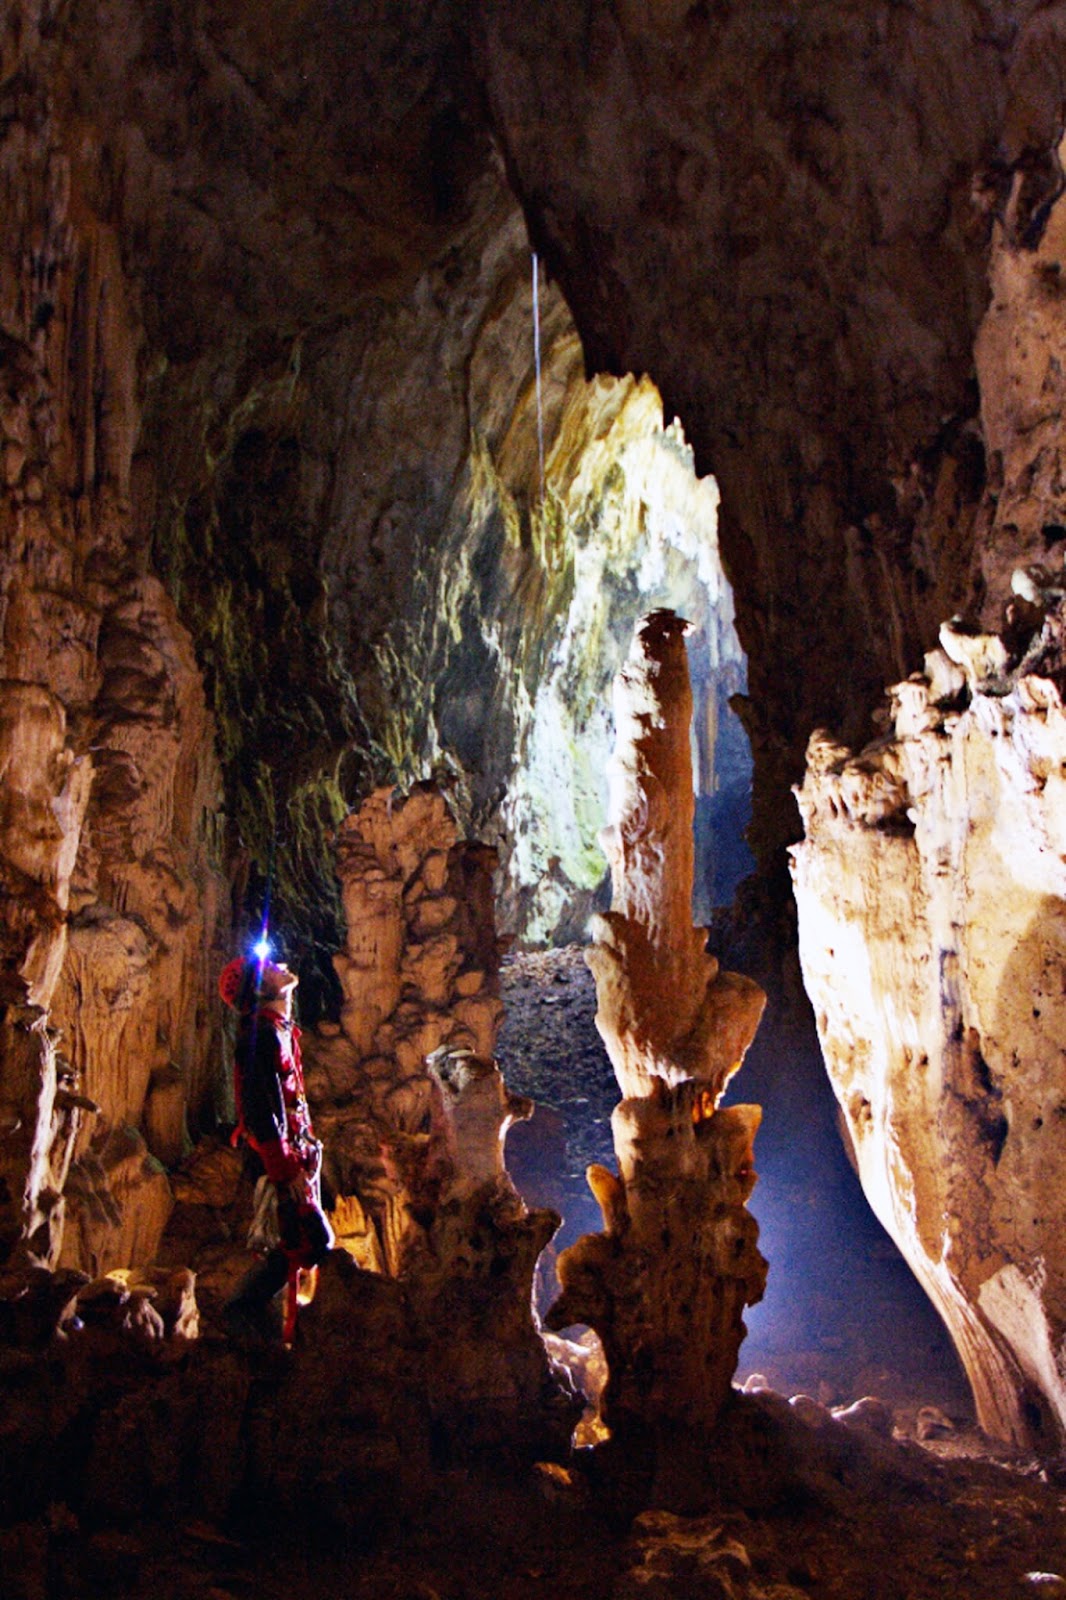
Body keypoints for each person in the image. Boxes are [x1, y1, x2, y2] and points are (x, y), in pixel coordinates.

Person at [218, 950, 333, 1343]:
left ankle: (274, 1332)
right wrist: (283, 1168)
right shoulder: (259, 1034)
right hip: (278, 1163)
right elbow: (260, 1105)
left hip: (293, 1158)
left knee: (300, 1246)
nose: (280, 964)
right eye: (267, 967)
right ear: (258, 987)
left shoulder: (278, 1029)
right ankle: (242, 1315)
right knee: (308, 1243)